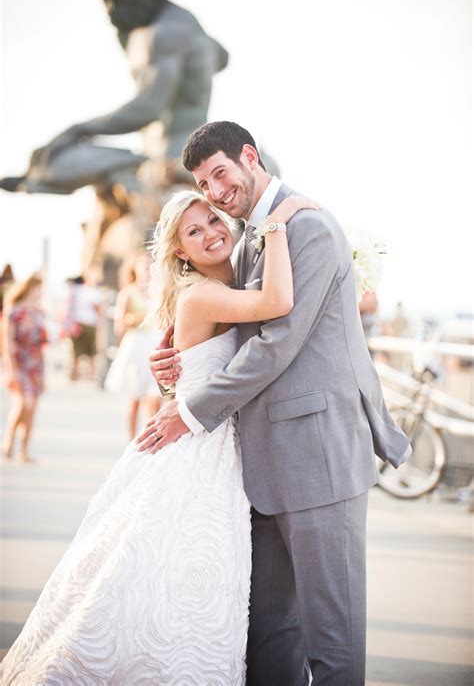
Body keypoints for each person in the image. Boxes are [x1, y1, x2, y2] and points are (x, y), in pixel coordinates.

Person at [0, 190, 317, 684]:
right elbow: (277, 302)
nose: (212, 231)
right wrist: (279, 220)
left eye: (213, 220)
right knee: (180, 573)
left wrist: (169, 381)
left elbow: (194, 364)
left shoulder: (221, 281)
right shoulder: (204, 293)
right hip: (198, 449)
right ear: (179, 253)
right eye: (195, 232)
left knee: (181, 574)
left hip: (209, 440)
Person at [140, 121, 411, 685]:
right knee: (267, 637)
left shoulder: (306, 227)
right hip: (255, 467)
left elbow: (278, 343)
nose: (214, 192)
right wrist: (178, 364)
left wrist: (189, 412)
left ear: (249, 157)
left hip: (319, 460)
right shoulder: (242, 236)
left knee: (331, 644)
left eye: (219, 175)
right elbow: (231, 333)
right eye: (203, 184)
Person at [105, 254, 161, 439]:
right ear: (135, 268)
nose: (147, 269)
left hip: (155, 342)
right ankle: (131, 439)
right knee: (136, 396)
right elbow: (119, 326)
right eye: (143, 266)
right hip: (137, 344)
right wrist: (136, 318)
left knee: (156, 395)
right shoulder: (128, 292)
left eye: (150, 265)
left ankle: (151, 437)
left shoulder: (160, 291)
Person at [1, 274, 47, 463]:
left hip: (36, 363)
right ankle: (9, 440)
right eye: (38, 287)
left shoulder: (39, 313)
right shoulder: (14, 312)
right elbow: (7, 343)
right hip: (19, 362)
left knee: (33, 407)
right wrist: (12, 370)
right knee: (23, 404)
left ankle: (24, 450)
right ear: (29, 288)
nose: (40, 291)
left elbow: (42, 342)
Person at [66, 274, 102, 380]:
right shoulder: (92, 292)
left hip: (76, 324)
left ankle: (73, 374)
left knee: (75, 351)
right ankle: (91, 375)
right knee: (91, 351)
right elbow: (97, 308)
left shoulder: (73, 292)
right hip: (90, 323)